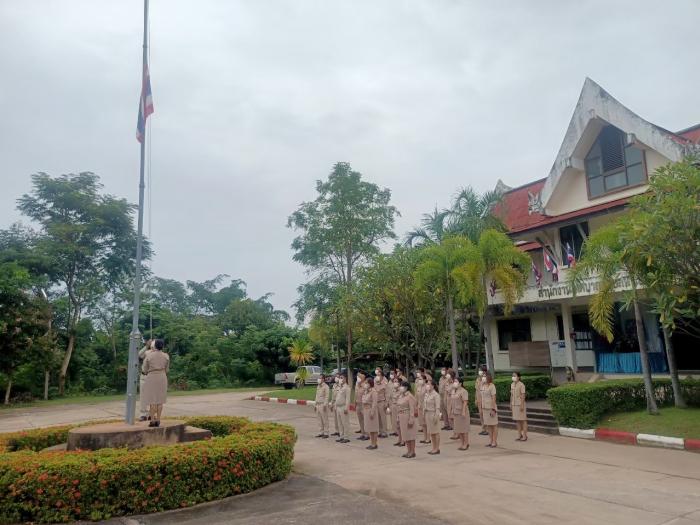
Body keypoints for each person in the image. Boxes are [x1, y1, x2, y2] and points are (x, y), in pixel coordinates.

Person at [141, 339, 170, 427]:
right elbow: (167, 369)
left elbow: (144, 369)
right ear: (162, 346)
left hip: (152, 377)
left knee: (152, 400)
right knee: (160, 400)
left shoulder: (149, 356)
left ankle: (152, 420)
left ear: (155, 346)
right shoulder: (166, 356)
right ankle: (158, 420)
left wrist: (148, 371)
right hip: (162, 377)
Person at [397, 380, 417, 458]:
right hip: (402, 417)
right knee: (405, 435)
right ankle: (408, 451)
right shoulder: (401, 396)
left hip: (407, 416)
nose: (400, 387)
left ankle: (412, 451)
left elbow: (412, 409)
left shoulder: (410, 396)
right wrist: (398, 417)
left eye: (402, 386)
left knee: (411, 435)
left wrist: (411, 419)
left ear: (406, 387)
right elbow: (399, 407)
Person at [451, 377, 470, 451]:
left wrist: (463, 411)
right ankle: (462, 443)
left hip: (462, 412)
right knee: (459, 429)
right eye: (454, 381)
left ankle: (466, 443)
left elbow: (465, 402)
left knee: (464, 429)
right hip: (455, 412)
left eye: (456, 381)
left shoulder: (463, 391)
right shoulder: (453, 391)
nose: (454, 383)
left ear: (460, 383)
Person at [138, 339, 155, 421]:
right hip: (144, 376)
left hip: (153, 376)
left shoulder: (158, 354)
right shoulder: (146, 352)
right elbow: (139, 354)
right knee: (143, 396)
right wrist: (146, 346)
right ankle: (143, 414)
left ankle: (151, 414)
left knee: (153, 397)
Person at [423, 379, 441, 455]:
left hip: (433, 414)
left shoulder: (436, 395)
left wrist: (436, 417)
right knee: (431, 432)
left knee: (436, 432)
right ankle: (433, 448)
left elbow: (437, 407)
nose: (427, 386)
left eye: (429, 384)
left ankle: (437, 448)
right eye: (426, 384)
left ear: (433, 386)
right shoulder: (427, 394)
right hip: (427, 414)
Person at [481, 371, 498, 447]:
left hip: (491, 407)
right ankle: (490, 441)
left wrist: (493, 409)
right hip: (484, 408)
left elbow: (494, 398)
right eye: (483, 376)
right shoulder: (483, 386)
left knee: (494, 425)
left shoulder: (492, 386)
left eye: (484, 376)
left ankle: (494, 441)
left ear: (488, 377)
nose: (483, 377)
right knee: (488, 425)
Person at [362, 377, 379, 450]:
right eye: (365, 383)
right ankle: (371, 443)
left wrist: (372, 412)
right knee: (370, 428)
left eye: (366, 383)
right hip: (366, 410)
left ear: (370, 384)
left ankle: (374, 444)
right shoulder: (366, 391)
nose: (365, 384)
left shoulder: (373, 391)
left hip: (371, 410)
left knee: (374, 428)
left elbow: (374, 403)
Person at [511, 371, 528, 441]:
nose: (513, 377)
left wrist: (522, 405)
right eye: (513, 376)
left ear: (518, 377)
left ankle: (525, 435)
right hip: (514, 404)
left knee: (523, 420)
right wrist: (510, 403)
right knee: (517, 420)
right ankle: (519, 434)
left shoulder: (521, 385)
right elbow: (511, 395)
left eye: (515, 376)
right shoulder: (512, 384)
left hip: (520, 404)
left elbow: (523, 395)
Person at [334, 374, 351, 443]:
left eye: (342, 378)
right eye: (340, 378)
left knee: (345, 423)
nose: (340, 379)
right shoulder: (339, 387)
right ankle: (341, 436)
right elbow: (337, 398)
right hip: (338, 407)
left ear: (345, 379)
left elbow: (348, 399)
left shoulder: (347, 388)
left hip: (343, 407)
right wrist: (335, 406)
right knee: (340, 423)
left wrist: (346, 408)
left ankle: (346, 437)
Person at [374, 368, 389, 438]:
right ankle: (380, 431)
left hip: (382, 401)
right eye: (376, 371)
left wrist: (386, 402)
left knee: (383, 417)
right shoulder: (375, 379)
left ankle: (384, 432)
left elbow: (387, 392)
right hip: (376, 401)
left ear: (381, 372)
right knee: (378, 418)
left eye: (378, 371)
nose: (377, 372)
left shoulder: (385, 380)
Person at [314, 374, 330, 438]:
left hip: (323, 405)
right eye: (319, 378)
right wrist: (315, 405)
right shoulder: (318, 386)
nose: (319, 379)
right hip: (318, 404)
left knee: (325, 419)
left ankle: (326, 433)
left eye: (320, 378)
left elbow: (327, 396)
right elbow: (316, 395)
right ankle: (321, 432)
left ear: (323, 379)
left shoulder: (326, 387)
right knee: (319, 420)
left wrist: (325, 405)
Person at [390, 376, 403, 446]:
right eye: (394, 382)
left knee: (401, 425)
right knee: (397, 425)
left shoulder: (401, 391)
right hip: (394, 407)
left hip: (399, 408)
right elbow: (391, 399)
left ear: (399, 383)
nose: (394, 383)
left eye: (396, 382)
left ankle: (403, 441)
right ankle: (399, 439)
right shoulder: (393, 390)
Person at [355, 371, 368, 440]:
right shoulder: (357, 385)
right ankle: (362, 433)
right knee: (360, 420)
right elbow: (356, 395)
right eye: (357, 377)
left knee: (365, 420)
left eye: (359, 376)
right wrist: (355, 403)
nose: (358, 378)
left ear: (363, 377)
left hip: (364, 405)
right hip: (358, 404)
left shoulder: (365, 385)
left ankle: (367, 434)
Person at [476, 366, 489, 436]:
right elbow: (476, 390)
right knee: (481, 414)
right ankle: (483, 428)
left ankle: (487, 429)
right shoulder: (478, 379)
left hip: (485, 399)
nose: (479, 372)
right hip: (479, 399)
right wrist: (476, 399)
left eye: (480, 370)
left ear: (484, 371)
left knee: (485, 414)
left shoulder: (486, 379)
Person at [414, 371, 426, 443]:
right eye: (419, 379)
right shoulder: (418, 387)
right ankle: (425, 438)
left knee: (426, 423)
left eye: (421, 379)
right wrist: (415, 406)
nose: (420, 381)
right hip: (419, 407)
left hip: (425, 407)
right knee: (422, 423)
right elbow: (416, 397)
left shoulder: (427, 387)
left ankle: (428, 438)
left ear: (425, 380)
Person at [387, 371, 398, 436]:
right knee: (392, 417)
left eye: (392, 373)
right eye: (390, 373)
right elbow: (388, 393)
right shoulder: (389, 382)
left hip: (396, 402)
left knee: (396, 417)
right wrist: (387, 402)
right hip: (390, 402)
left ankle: (397, 430)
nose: (391, 375)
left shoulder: (397, 382)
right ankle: (394, 430)